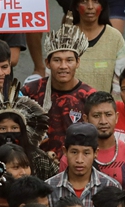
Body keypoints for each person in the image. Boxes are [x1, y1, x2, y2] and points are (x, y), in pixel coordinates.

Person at [20, 26, 95, 160]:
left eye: (69, 60)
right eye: (57, 60)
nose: (63, 66)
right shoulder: (29, 92)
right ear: (47, 63)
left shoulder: (89, 97)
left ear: (77, 62)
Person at [47, 123, 120, 207]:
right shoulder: (49, 188)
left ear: (95, 153)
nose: (79, 160)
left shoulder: (111, 187)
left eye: (86, 153)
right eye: (74, 152)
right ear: (65, 151)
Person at [83, 91, 125, 198]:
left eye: (108, 115)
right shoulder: (74, 155)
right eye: (96, 116)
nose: (103, 121)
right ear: (86, 119)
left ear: (117, 117)